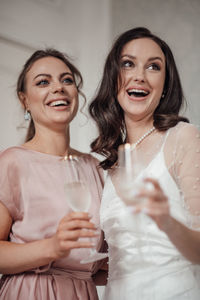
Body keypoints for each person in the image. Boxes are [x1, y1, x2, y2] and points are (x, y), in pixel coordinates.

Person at [89, 27, 200, 299]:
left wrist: (165, 220)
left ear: (165, 85)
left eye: (153, 66)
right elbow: (117, 262)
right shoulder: (109, 163)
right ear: (114, 77)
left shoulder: (183, 138)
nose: (139, 75)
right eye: (128, 64)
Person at [0, 48, 106, 300]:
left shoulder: (94, 166)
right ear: (24, 100)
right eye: (43, 82)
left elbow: (91, 267)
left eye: (66, 80)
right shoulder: (12, 162)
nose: (58, 87)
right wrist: (53, 247)